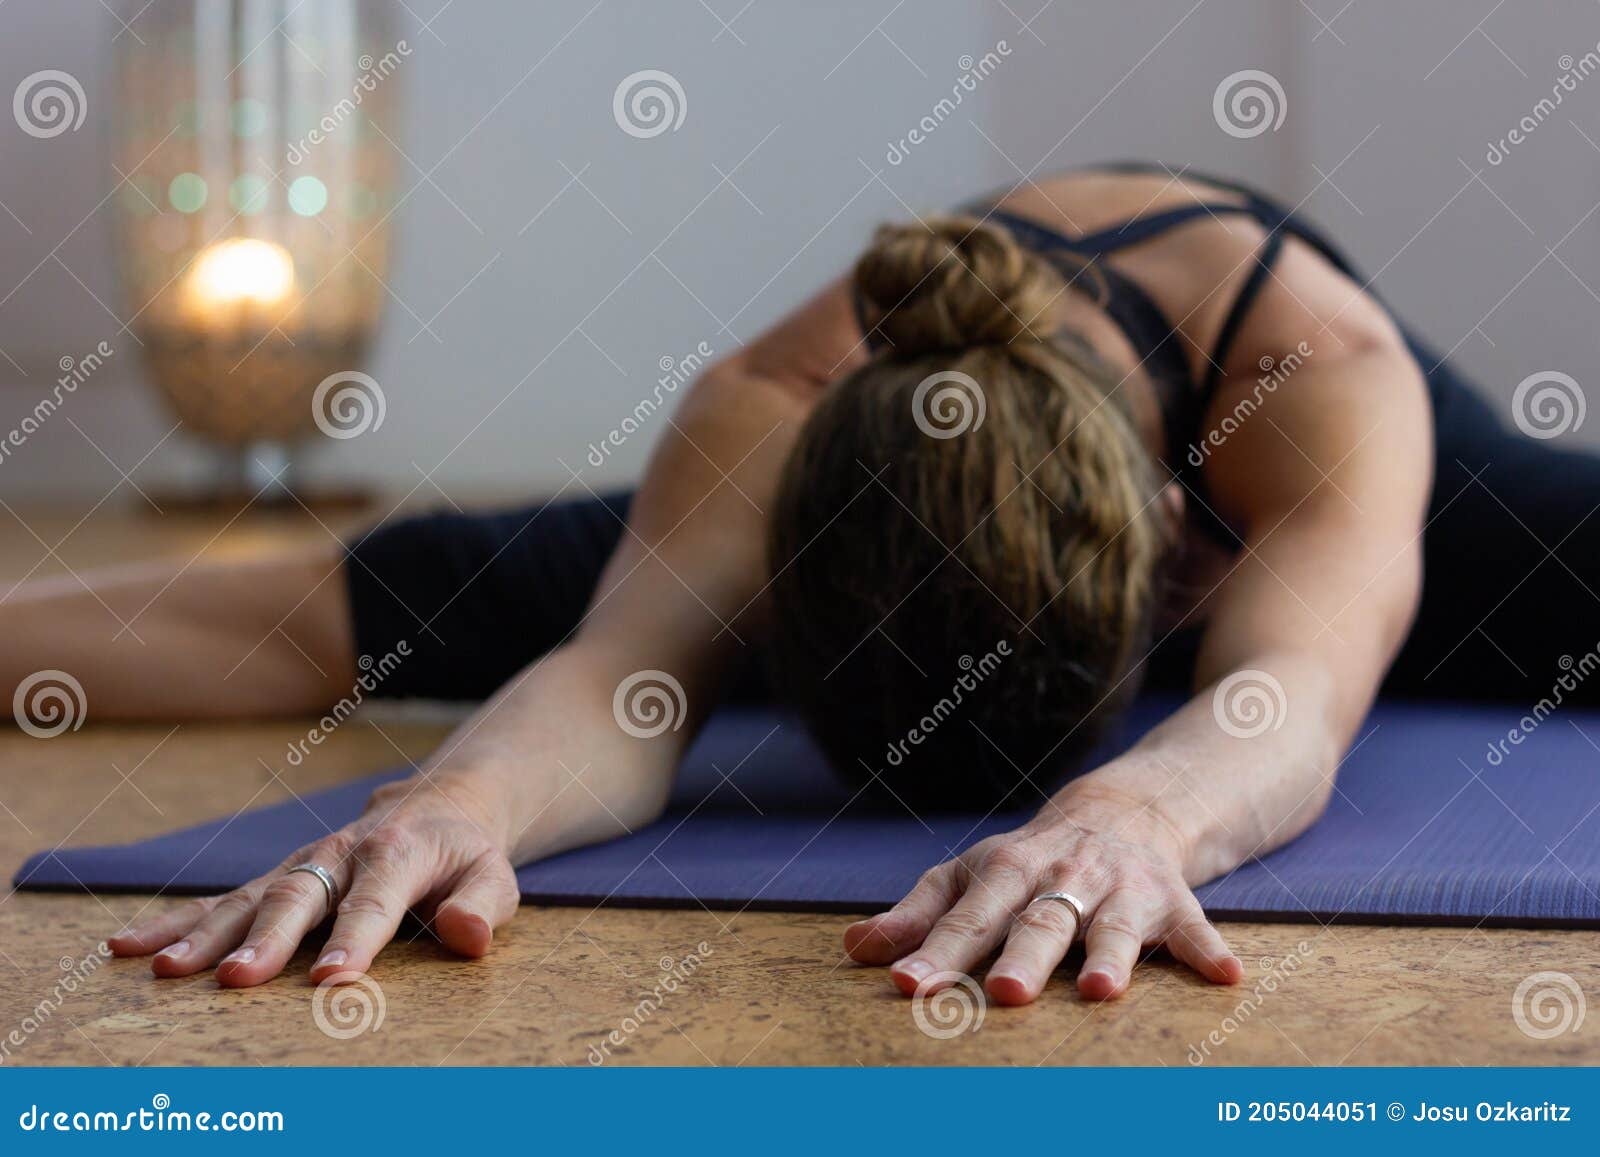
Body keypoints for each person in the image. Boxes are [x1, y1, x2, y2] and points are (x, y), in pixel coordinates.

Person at [15, 164, 1593, 1005]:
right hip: (881, 505)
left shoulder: (1314, 377)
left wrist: (1132, 815)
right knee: (432, 592)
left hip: (1287, 462)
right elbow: (622, 674)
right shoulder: (774, 416)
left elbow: (1286, 698)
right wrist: (455, 805)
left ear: (1182, 561)